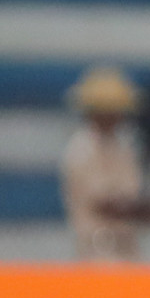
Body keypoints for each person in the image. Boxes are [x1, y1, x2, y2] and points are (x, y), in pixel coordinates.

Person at [60, 66, 144, 261]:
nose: (110, 115)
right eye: (103, 108)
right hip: (95, 252)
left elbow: (131, 195)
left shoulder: (125, 148)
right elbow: (105, 204)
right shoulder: (80, 149)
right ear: (90, 111)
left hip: (128, 250)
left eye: (114, 109)